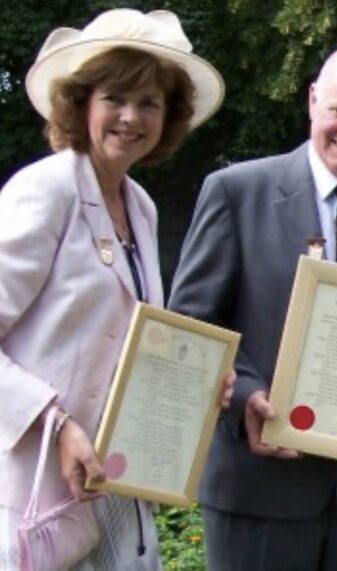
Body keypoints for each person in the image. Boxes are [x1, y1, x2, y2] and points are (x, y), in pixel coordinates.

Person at [167, 44, 337, 570]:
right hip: (257, 487)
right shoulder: (235, 192)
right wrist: (243, 395)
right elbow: (191, 328)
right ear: (313, 100)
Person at [0, 9, 224, 570]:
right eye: (115, 99)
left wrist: (194, 387)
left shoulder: (140, 206)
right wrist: (56, 425)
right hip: (33, 495)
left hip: (115, 489)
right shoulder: (44, 190)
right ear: (81, 105)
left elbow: (131, 344)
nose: (131, 117)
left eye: (149, 102)